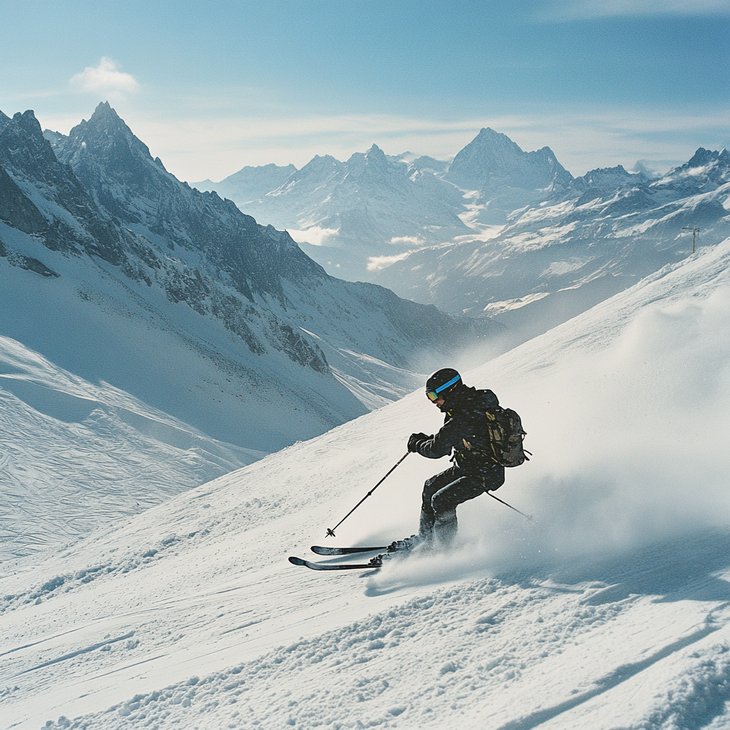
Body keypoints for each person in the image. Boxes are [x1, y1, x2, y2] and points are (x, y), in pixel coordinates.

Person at [400, 368, 506, 550]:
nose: (434, 402)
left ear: (450, 391)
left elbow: (437, 449)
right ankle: (425, 538)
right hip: (471, 467)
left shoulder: (464, 415)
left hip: (485, 473)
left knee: (442, 500)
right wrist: (425, 440)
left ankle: (443, 549)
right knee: (430, 487)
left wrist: (417, 444)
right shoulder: (470, 404)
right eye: (429, 397)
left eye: (434, 396)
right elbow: (450, 437)